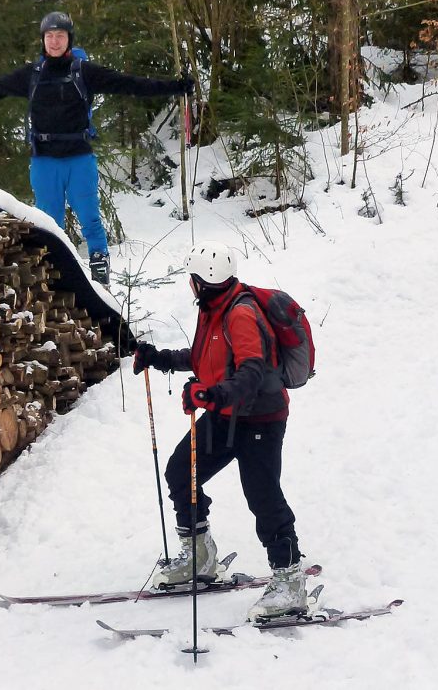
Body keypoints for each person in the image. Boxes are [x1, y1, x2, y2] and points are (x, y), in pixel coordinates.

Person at [0, 11, 194, 287]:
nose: (54, 41)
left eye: (60, 36)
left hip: (79, 158)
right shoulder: (32, 75)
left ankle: (100, 271)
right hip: (44, 161)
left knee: (89, 216)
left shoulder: (84, 72)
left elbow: (131, 84)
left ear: (69, 39)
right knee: (48, 222)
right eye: (49, 36)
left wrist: (175, 87)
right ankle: (55, 272)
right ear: (43, 40)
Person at [132, 241, 306, 621]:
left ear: (200, 281)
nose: (189, 285)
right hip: (227, 414)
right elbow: (204, 358)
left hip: (260, 418)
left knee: (262, 495)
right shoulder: (214, 308)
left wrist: (208, 394)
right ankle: (200, 556)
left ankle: (290, 580)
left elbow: (252, 372)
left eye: (190, 278)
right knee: (181, 471)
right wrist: (158, 358)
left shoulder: (240, 313)